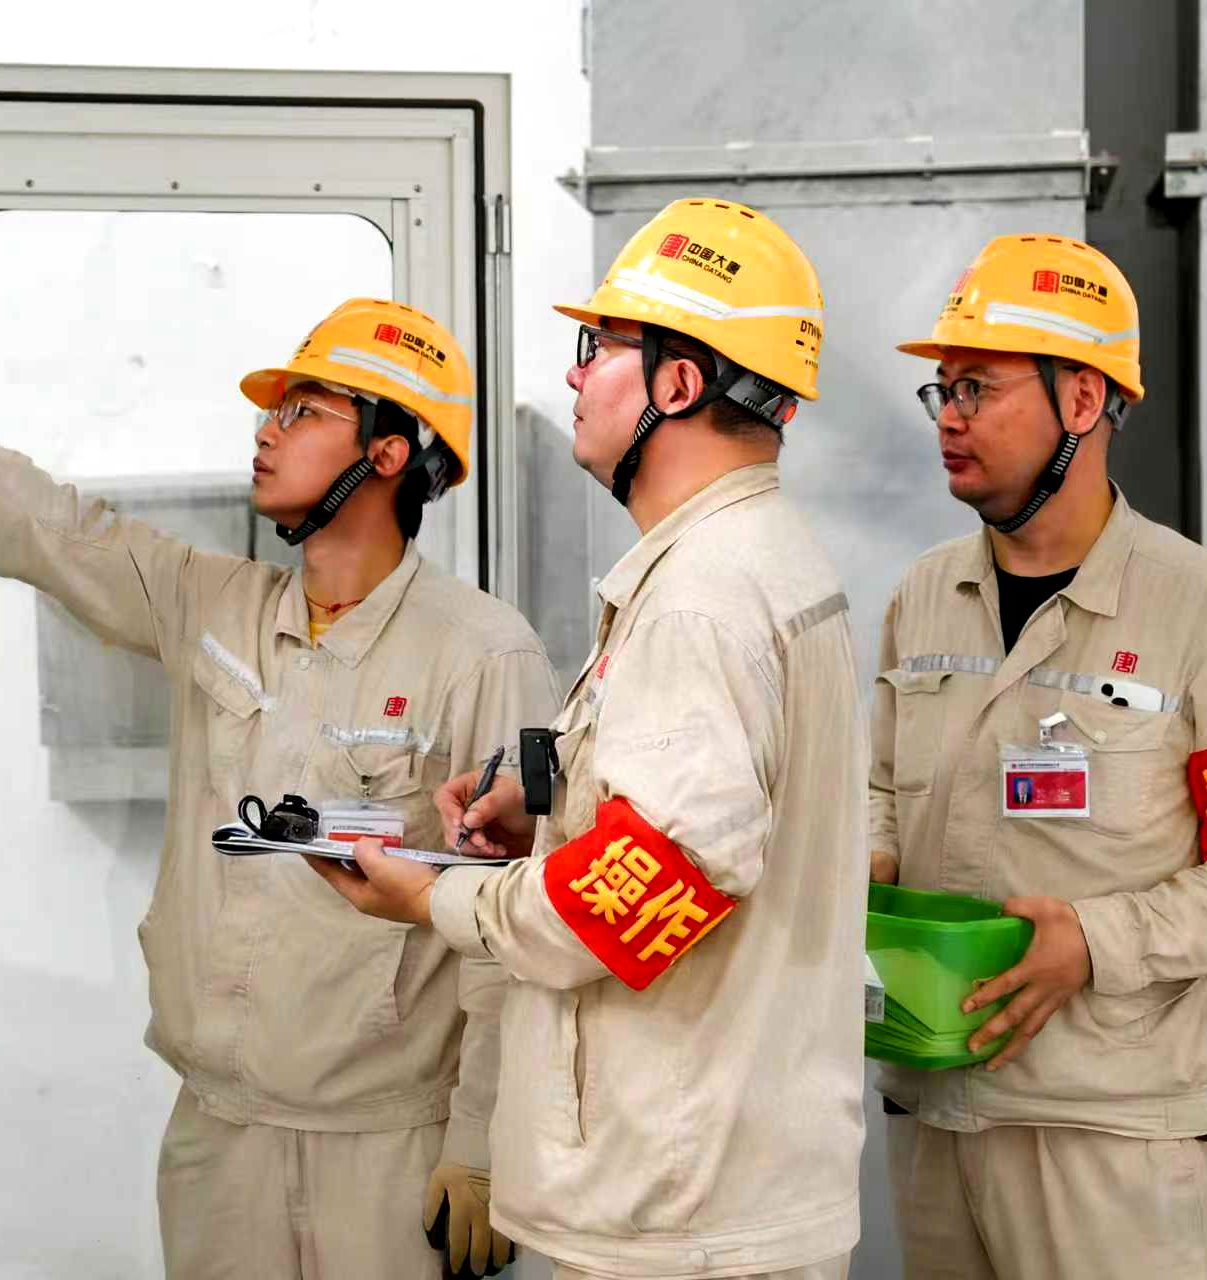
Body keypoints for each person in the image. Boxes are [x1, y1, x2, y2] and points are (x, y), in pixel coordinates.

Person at [0, 272, 558, 1280]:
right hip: (218, 1136)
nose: (265, 430)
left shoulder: (483, 654)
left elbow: (511, 920)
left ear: (388, 454)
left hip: (387, 1147)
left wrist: (480, 1141)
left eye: (303, 411)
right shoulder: (213, 604)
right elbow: (49, 530)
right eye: (272, 409)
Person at [309, 198, 866, 1280]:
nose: (574, 376)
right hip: (716, 1180)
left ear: (678, 383)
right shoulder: (755, 559)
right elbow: (717, 814)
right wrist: (553, 803)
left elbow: (663, 880)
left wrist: (435, 900)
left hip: (676, 1208)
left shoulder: (702, 597)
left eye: (599, 348)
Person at [870, 233, 1207, 1279]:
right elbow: (878, 787)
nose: (948, 415)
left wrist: (1095, 941)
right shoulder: (921, 597)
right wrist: (870, 858)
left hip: (1109, 1141)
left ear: (1082, 400)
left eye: (979, 386)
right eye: (941, 388)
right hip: (932, 1114)